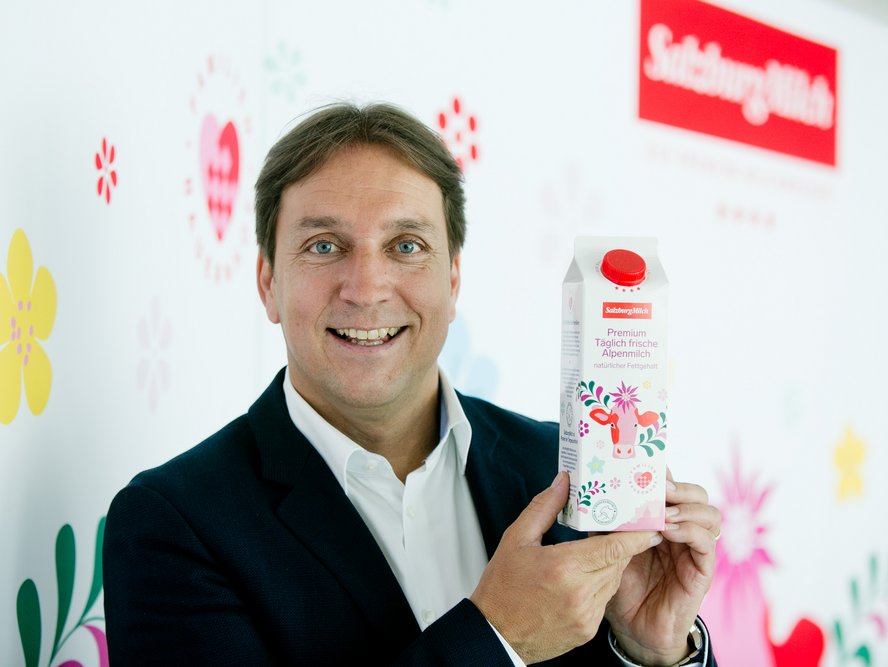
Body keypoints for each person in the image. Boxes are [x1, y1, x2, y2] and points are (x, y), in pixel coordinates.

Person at [103, 102, 721, 666]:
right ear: (268, 282)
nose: (367, 288)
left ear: (452, 280)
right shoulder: (174, 524)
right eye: (324, 246)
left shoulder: (564, 473)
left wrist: (654, 652)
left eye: (406, 245)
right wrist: (497, 636)